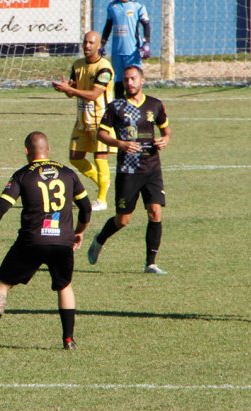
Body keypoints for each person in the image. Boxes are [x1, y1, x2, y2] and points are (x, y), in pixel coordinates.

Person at [0, 131, 91, 353]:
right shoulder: (68, 173)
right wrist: (79, 231)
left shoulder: (23, 175)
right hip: (62, 241)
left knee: (3, 284)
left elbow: (1, 208)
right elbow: (86, 208)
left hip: (32, 241)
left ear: (26, 151)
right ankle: (69, 340)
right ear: (48, 149)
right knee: (64, 286)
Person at [89, 66, 171, 275]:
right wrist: (120, 143)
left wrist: (165, 139)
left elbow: (165, 129)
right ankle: (100, 239)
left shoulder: (155, 105)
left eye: (133, 78)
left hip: (152, 167)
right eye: (126, 80)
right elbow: (101, 134)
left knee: (155, 212)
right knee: (123, 219)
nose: (130, 83)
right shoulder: (116, 107)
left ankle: (150, 263)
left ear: (142, 80)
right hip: (128, 170)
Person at [52, 30, 117, 212]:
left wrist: (71, 91)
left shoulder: (104, 68)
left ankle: (102, 200)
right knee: (75, 157)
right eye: (85, 42)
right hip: (82, 120)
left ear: (99, 46)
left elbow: (94, 94)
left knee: (99, 157)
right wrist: (64, 89)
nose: (87, 46)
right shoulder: (77, 65)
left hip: (102, 120)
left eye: (91, 43)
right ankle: (102, 181)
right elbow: (73, 91)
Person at [101, 0, 151, 99]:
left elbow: (146, 24)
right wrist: (102, 44)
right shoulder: (112, 6)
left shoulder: (138, 6)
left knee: (133, 78)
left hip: (133, 51)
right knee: (118, 78)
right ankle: (119, 106)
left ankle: (136, 105)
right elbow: (108, 26)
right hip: (117, 51)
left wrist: (146, 43)